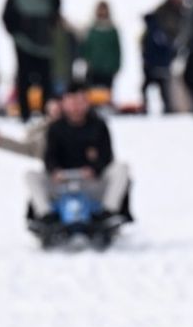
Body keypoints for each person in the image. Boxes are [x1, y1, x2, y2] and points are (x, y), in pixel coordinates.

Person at [27, 82, 131, 228]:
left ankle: (109, 212)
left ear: (87, 102)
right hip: (62, 184)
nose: (76, 107)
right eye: (71, 102)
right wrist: (55, 171)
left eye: (80, 102)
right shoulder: (55, 128)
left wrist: (94, 169)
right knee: (31, 175)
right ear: (63, 103)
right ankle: (45, 215)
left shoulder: (99, 126)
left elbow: (106, 156)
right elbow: (49, 156)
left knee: (121, 168)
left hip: (91, 182)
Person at [3, 0, 61, 122]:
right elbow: (7, 17)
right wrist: (18, 35)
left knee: (46, 81)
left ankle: (45, 113)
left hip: (44, 44)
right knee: (24, 79)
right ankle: (25, 113)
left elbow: (55, 9)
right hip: (24, 44)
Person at [80, 0, 121, 90]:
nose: (102, 12)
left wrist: (116, 66)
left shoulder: (112, 30)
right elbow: (86, 47)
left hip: (108, 70)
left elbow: (117, 50)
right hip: (93, 69)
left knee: (105, 95)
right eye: (100, 9)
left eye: (104, 9)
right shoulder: (91, 29)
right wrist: (87, 61)